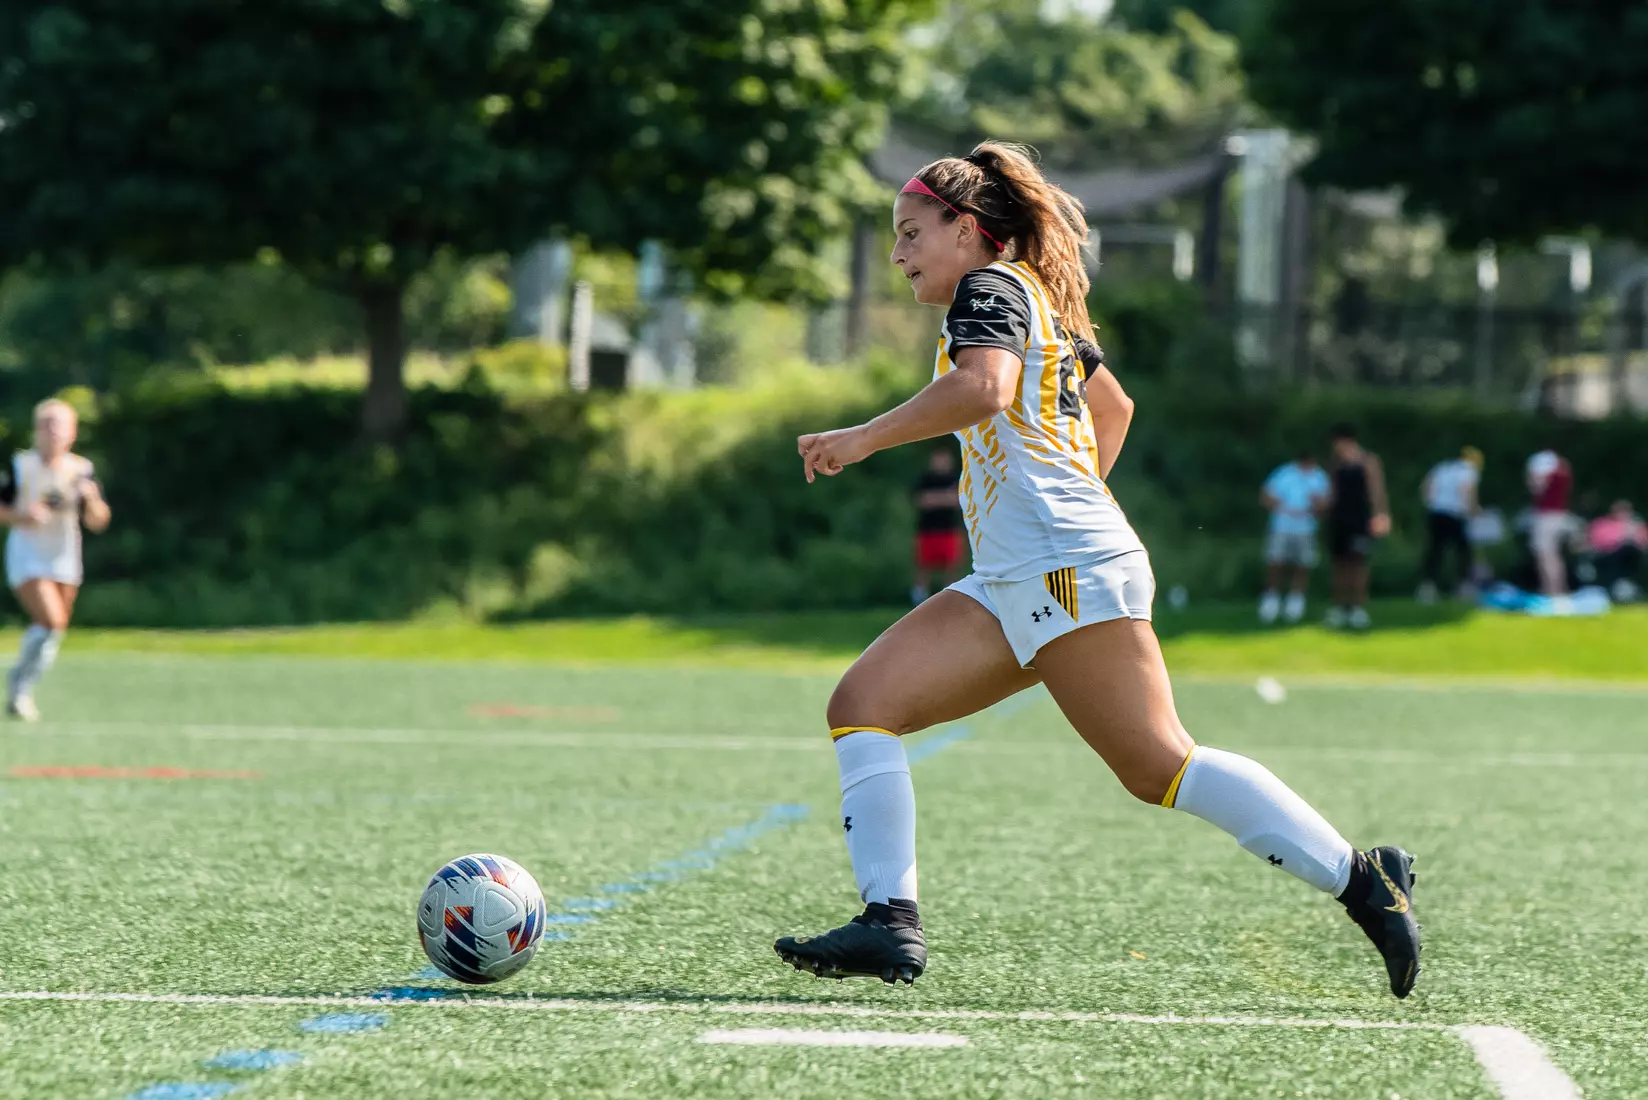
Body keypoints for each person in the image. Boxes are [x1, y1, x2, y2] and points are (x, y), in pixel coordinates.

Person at [777, 142, 1420, 1001]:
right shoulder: (1030, 294)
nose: (897, 254)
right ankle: (889, 920)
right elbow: (1111, 407)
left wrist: (861, 438)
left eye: (910, 232)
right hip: (1023, 573)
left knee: (1158, 765)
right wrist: (1064, 499)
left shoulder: (992, 288)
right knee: (863, 706)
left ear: (967, 230)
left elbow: (983, 390)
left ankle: (1361, 875)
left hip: (1061, 568)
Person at [0, 398, 110, 720]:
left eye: (59, 426)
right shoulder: (21, 466)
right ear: (37, 431)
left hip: (64, 556)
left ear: (72, 433)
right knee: (51, 621)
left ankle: (23, 685)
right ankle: (19, 682)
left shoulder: (81, 470)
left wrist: (90, 500)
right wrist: (23, 516)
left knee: (52, 629)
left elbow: (99, 521)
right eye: (46, 425)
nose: (53, 433)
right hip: (28, 555)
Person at [1324, 424, 1390, 629]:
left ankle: (1357, 608)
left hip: (1360, 520)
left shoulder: (1368, 461)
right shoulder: (1335, 465)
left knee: (1358, 565)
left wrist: (1381, 514)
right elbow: (1330, 493)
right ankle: (1340, 607)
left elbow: (1377, 490)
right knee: (1339, 565)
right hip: (1338, 520)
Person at [1258, 452, 1332, 624]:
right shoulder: (1285, 473)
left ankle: (1295, 602)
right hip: (1282, 526)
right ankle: (1271, 600)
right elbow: (1265, 496)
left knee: (1303, 565)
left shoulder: (1319, 476)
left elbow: (1326, 505)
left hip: (1306, 528)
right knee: (1275, 562)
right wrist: (1280, 505)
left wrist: (1318, 504)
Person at [1418, 446, 1483, 603]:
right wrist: (1473, 510)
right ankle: (1463, 586)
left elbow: (1427, 488)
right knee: (1463, 550)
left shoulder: (1442, 467)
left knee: (1435, 550)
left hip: (1436, 512)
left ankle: (1428, 588)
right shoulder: (1469, 471)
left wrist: (1431, 504)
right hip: (1455, 513)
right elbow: (1466, 490)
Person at [910, 446, 965, 604]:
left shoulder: (956, 478)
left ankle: (950, 600)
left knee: (952, 567)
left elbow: (959, 500)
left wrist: (934, 499)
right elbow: (921, 500)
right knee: (923, 567)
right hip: (927, 530)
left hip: (949, 530)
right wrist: (946, 498)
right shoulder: (925, 479)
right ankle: (918, 599)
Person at [1526, 447, 1573, 596]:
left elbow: (1536, 489)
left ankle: (1550, 590)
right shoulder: (1563, 474)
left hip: (1546, 518)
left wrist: (1533, 477)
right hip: (1559, 516)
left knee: (1545, 556)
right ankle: (1559, 589)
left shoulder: (1549, 476)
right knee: (1555, 555)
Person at [1588, 500, 1646, 601]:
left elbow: (1644, 542)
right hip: (1607, 558)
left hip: (1632, 559)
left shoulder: (1636, 525)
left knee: (1629, 549)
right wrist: (1621, 537)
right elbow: (1599, 543)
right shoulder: (1602, 524)